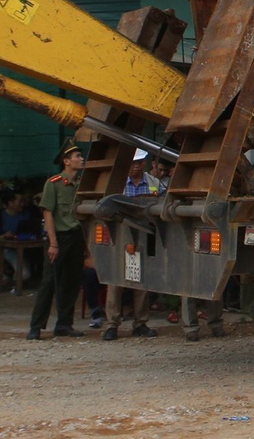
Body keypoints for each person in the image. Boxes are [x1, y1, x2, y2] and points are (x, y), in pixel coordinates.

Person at [29, 145, 88, 340]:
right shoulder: (53, 183)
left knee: (71, 283)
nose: (81, 159)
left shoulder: (82, 183)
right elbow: (48, 213)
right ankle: (36, 326)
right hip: (59, 238)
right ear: (66, 161)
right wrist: (53, 243)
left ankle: (64, 324)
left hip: (76, 236)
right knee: (48, 283)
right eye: (77, 156)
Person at [102, 152, 161, 341]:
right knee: (115, 281)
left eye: (139, 162)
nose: (136, 166)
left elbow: (163, 201)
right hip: (120, 235)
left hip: (144, 235)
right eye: (133, 162)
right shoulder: (116, 183)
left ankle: (140, 323)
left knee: (142, 281)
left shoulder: (153, 182)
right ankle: (112, 325)